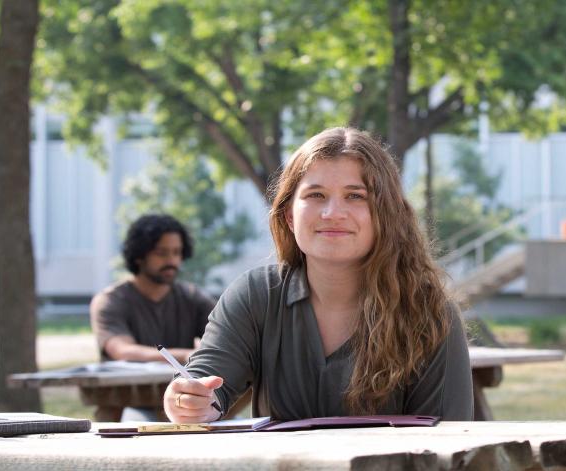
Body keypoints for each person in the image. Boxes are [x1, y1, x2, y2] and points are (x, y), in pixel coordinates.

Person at [163, 127, 473, 423]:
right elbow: (205, 382)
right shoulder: (255, 295)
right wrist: (188, 400)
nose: (333, 213)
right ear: (288, 216)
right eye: (316, 195)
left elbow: (447, 443)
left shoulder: (430, 314)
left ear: (386, 215)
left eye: (355, 196)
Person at [89, 214, 217, 421]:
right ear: (139, 256)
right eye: (161, 253)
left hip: (184, 397)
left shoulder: (192, 298)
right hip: (125, 400)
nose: (171, 261)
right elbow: (122, 350)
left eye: (177, 253)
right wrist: (185, 355)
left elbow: (226, 336)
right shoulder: (111, 300)